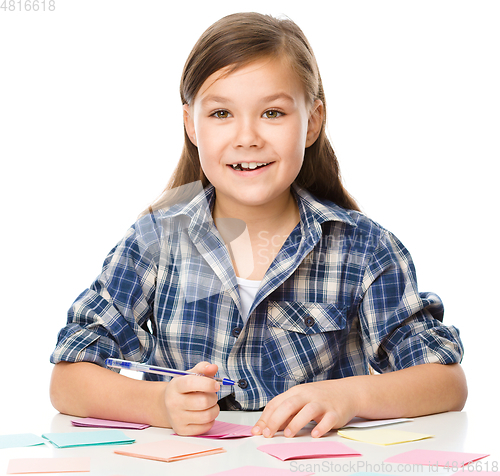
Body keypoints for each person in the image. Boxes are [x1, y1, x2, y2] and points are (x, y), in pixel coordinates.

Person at [49, 12, 467, 439]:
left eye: (272, 112)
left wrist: (349, 396)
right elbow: (68, 381)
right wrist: (158, 404)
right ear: (191, 123)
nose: (247, 137)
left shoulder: (363, 249)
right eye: (221, 114)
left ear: (313, 121)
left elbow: (446, 383)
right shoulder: (153, 242)